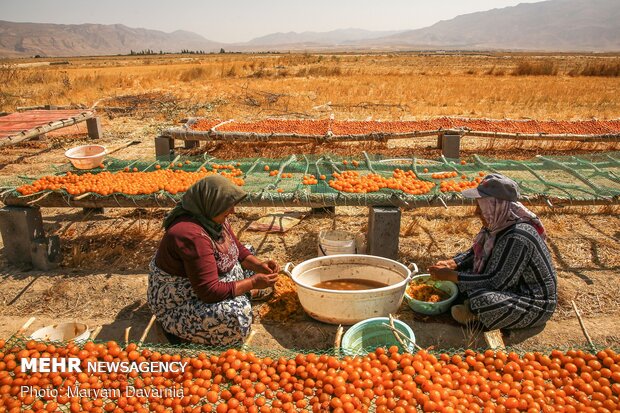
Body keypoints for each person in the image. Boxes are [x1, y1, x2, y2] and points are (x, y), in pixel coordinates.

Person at [147, 175, 279, 345]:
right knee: (238, 317)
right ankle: (176, 330)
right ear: (211, 202)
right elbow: (208, 291)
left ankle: (243, 293)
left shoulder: (212, 217)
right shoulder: (191, 235)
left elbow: (237, 248)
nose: (233, 211)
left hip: (203, 281)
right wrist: (252, 283)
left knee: (250, 254)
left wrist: (259, 265)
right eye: (228, 206)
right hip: (182, 301)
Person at [429, 174, 557, 330]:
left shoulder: (518, 236)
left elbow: (497, 282)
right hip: (510, 286)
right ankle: (471, 306)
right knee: (463, 279)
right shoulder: (498, 223)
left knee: (482, 299)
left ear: (495, 206)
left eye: (480, 207)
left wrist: (452, 276)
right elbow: (476, 253)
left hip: (531, 302)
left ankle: (476, 317)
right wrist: (455, 263)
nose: (477, 212)